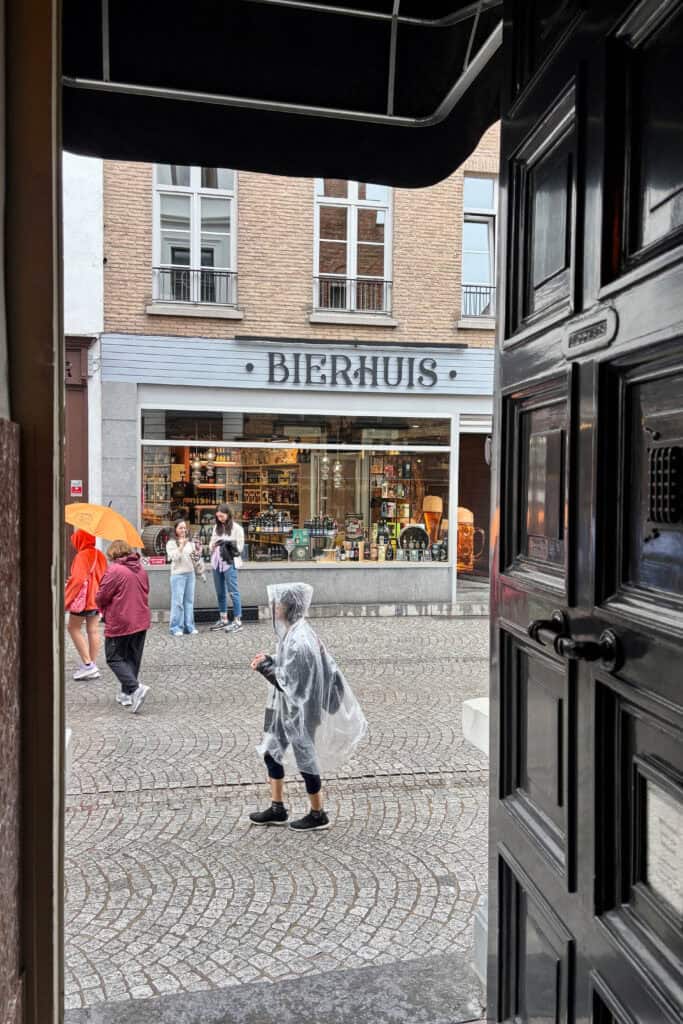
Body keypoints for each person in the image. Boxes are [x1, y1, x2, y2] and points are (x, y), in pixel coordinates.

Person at [249, 582, 367, 832]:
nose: (274, 607)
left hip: (301, 711)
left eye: (278, 603)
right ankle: (277, 807)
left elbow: (293, 683)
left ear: (288, 607)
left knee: (305, 758)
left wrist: (264, 668)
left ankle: (318, 813)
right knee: (271, 750)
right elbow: (290, 666)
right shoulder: (294, 632)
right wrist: (271, 659)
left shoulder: (300, 639)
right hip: (286, 709)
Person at [95, 539, 151, 713]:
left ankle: (135, 688)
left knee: (114, 657)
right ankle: (126, 694)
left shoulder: (114, 571)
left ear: (113, 554)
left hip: (120, 621)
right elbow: (147, 590)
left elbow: (101, 597)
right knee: (132, 658)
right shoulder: (140, 569)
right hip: (140, 620)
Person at [64, 529, 107, 680]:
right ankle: (92, 664)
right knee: (93, 630)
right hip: (97, 598)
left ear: (80, 540)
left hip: (85, 600)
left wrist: (66, 599)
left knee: (72, 628)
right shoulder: (99, 554)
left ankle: (88, 665)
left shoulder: (82, 555)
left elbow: (77, 580)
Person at [209, 503, 245, 633]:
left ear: (228, 514)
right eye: (218, 516)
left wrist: (228, 543)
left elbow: (240, 548)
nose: (220, 519)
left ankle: (237, 620)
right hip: (216, 562)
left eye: (222, 516)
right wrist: (213, 545)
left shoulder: (237, 528)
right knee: (220, 592)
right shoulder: (216, 527)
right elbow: (211, 543)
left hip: (230, 562)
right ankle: (223, 618)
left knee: (233, 592)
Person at [165, 520, 199, 636]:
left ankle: (189, 626)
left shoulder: (190, 543)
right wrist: (181, 546)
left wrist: (197, 554)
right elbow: (173, 558)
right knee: (177, 602)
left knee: (189, 601)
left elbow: (194, 558)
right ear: (175, 529)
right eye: (180, 528)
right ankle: (176, 627)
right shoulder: (171, 543)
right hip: (178, 575)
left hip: (190, 574)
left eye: (184, 528)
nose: (183, 530)